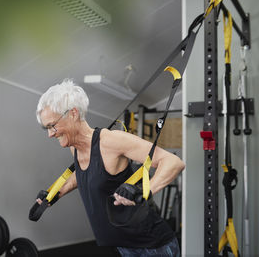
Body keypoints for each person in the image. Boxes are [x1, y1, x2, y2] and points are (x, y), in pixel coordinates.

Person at [35, 79, 185, 257]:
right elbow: (85, 174)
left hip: (151, 247)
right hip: (121, 247)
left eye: (53, 125)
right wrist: (55, 193)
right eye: (47, 128)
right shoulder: (75, 147)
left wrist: (143, 192)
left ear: (73, 113)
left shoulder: (111, 141)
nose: (50, 134)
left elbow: (173, 162)